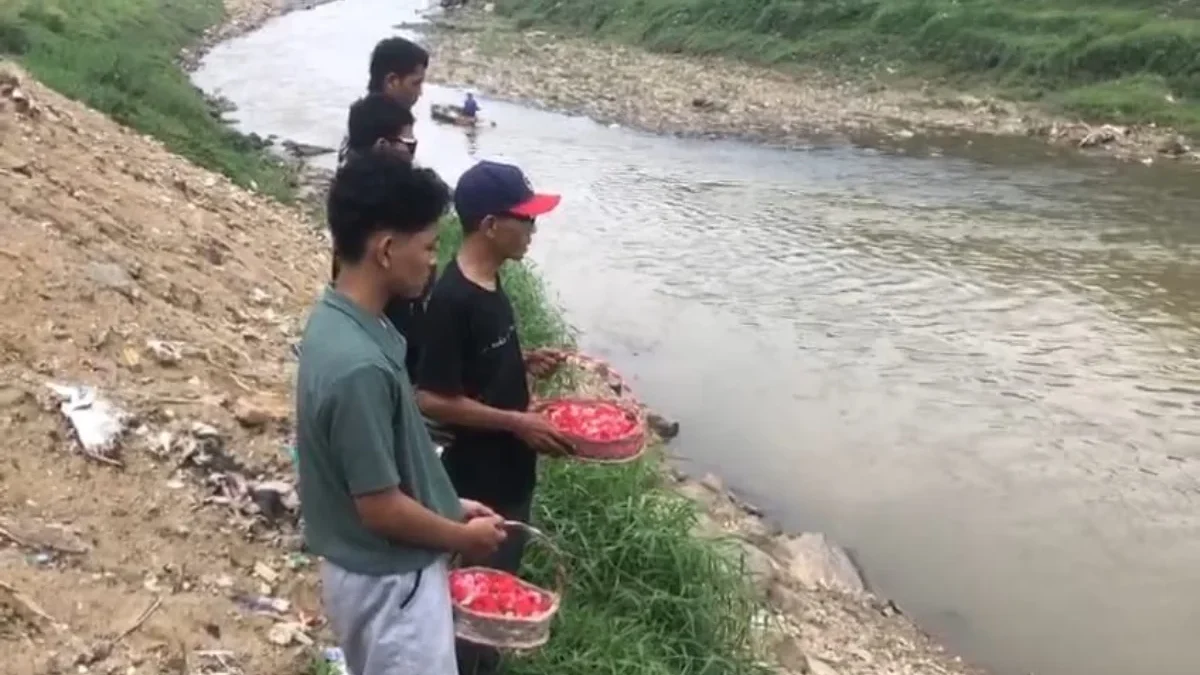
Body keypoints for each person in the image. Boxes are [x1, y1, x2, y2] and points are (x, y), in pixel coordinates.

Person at [295, 151, 507, 675]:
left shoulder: (341, 322)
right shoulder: (359, 366)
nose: (435, 261)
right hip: (394, 588)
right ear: (387, 250)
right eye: (430, 247)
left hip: (369, 575)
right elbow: (379, 508)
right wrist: (462, 539)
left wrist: (446, 502)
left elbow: (377, 463)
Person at [416, 160, 575, 674]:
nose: (533, 229)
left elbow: (474, 367)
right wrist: (518, 423)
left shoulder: (491, 282)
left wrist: (522, 362)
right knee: (474, 607)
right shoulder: (451, 299)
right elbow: (431, 398)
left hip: (511, 471)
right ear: (489, 226)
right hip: (476, 480)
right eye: (525, 219)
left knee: (498, 596)